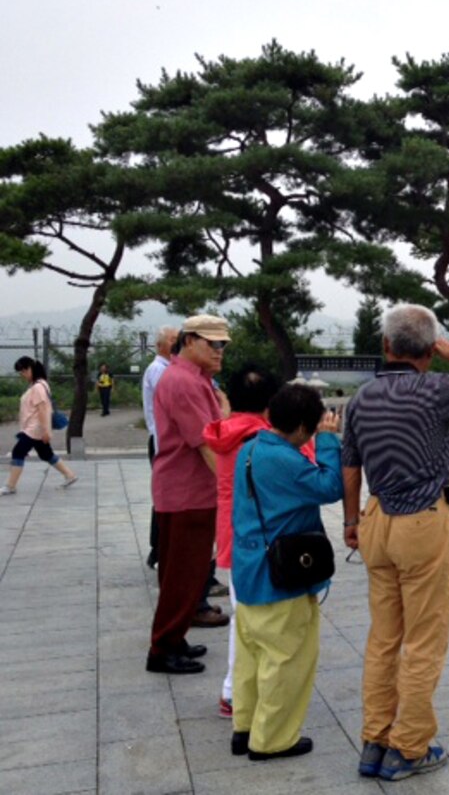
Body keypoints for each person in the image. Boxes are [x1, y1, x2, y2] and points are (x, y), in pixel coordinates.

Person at [341, 304, 449, 781]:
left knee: (383, 639)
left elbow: (350, 466)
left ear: (386, 347)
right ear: (429, 352)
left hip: (376, 520)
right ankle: (409, 747)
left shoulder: (362, 397)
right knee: (423, 640)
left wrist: (352, 521)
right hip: (422, 521)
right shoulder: (439, 388)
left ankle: (374, 740)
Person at [230, 383, 343, 761]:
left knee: (251, 659)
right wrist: (328, 443)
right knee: (286, 661)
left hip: (248, 571)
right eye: (311, 430)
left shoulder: (250, 449)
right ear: (299, 427)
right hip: (279, 578)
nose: (311, 435)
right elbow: (330, 486)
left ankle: (245, 728)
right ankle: (273, 740)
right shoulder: (285, 459)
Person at [146, 314, 230, 674]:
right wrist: (234, 488)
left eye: (223, 345)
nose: (220, 351)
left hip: (186, 490)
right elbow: (206, 445)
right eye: (213, 344)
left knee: (186, 573)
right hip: (188, 492)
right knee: (184, 574)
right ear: (190, 340)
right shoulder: (183, 382)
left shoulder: (196, 380)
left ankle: (174, 637)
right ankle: (163, 648)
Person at [203, 365, 282, 720]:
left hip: (233, 537)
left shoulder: (224, 432)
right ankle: (235, 692)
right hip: (259, 538)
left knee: (244, 615)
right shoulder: (263, 439)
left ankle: (237, 691)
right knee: (256, 620)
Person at [1, 357, 78, 496]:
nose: (22, 375)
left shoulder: (38, 387)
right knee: (45, 453)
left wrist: (47, 431)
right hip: (34, 428)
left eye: (23, 371)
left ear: (30, 369)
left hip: (34, 428)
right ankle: (70, 475)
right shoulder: (40, 384)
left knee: (18, 452)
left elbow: (44, 410)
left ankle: (10, 486)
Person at [142, 326, 178, 568]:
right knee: (166, 497)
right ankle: (158, 550)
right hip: (162, 441)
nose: (179, 344)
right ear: (161, 346)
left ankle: (160, 550)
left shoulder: (169, 370)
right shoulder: (159, 371)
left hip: (164, 440)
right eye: (174, 340)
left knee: (169, 497)